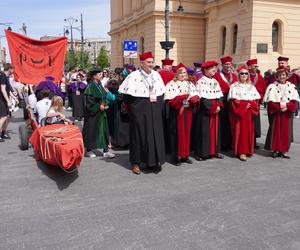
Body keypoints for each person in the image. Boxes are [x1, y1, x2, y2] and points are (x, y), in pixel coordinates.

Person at [119, 51, 166, 175]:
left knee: (154, 135)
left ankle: (153, 162)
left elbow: (161, 93)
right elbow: (127, 97)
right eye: (149, 62)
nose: (151, 64)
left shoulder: (156, 75)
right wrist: (134, 110)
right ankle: (136, 163)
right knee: (138, 136)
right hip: (139, 110)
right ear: (141, 63)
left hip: (154, 110)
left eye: (152, 62)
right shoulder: (133, 76)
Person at [164, 63, 200, 166]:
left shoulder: (189, 83)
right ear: (176, 74)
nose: (183, 74)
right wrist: (180, 98)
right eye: (180, 72)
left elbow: (196, 95)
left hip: (187, 112)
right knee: (176, 134)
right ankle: (175, 157)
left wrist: (195, 98)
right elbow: (170, 100)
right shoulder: (171, 84)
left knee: (186, 134)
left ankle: (185, 155)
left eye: (184, 72)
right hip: (176, 112)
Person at [264, 66, 300, 158]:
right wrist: (279, 107)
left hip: (287, 113)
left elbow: (294, 101)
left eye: (283, 75)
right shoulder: (272, 86)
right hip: (277, 113)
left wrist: (287, 107)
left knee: (285, 132)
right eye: (280, 75)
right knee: (276, 131)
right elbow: (270, 102)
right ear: (277, 76)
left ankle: (283, 150)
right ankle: (275, 150)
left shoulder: (292, 86)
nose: (282, 77)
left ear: (287, 76)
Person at [228, 65, 260, 161]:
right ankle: (241, 151)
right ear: (239, 75)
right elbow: (233, 102)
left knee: (248, 132)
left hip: (249, 114)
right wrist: (244, 106)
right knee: (240, 132)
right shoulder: (234, 86)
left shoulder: (251, 86)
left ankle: (248, 150)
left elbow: (256, 101)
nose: (244, 75)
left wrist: (251, 105)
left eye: (246, 73)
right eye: (242, 73)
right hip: (239, 114)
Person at [82, 67, 116, 158]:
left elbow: (104, 97)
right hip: (93, 114)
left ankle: (106, 150)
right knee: (92, 131)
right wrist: (98, 106)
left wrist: (106, 104)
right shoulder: (90, 86)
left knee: (104, 130)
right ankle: (89, 150)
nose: (102, 75)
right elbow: (89, 102)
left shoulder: (100, 84)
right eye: (100, 74)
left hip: (102, 113)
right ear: (94, 76)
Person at [194, 61, 224, 161]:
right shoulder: (201, 81)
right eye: (212, 68)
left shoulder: (215, 81)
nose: (214, 70)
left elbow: (219, 96)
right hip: (205, 112)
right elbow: (203, 99)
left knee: (215, 132)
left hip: (215, 110)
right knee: (204, 132)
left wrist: (219, 105)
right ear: (205, 70)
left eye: (215, 68)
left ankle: (214, 151)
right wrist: (213, 108)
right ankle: (202, 153)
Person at [214, 56, 238, 151]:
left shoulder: (234, 76)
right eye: (226, 64)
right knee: (223, 122)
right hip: (222, 99)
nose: (228, 66)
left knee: (231, 121)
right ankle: (222, 143)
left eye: (229, 64)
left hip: (231, 101)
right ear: (222, 65)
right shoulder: (217, 75)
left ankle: (230, 143)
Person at [247, 58, 266, 149]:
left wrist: (261, 98)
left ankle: (253, 142)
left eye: (256, 66)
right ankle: (247, 141)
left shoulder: (260, 77)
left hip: (256, 103)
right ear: (249, 67)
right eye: (255, 66)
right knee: (247, 122)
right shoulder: (245, 75)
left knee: (255, 123)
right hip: (247, 103)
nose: (256, 68)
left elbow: (263, 89)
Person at [0, 63, 14, 141]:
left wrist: (14, 98)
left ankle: (3, 133)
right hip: (1, 100)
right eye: (13, 69)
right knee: (3, 117)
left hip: (4, 100)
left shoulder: (6, 77)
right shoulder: (2, 76)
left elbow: (8, 90)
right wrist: (8, 101)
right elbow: (3, 89)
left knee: (7, 117)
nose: (13, 71)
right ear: (9, 69)